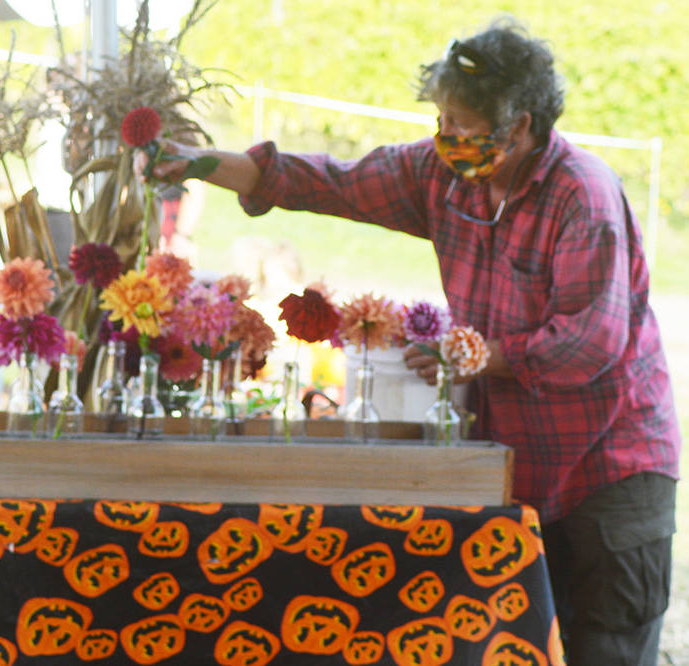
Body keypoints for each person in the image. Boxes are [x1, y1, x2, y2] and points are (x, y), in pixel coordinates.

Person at [138, 17, 681, 665]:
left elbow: (589, 343)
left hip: (608, 470)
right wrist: (207, 165)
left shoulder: (580, 196)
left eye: (464, 125)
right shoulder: (441, 174)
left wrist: (476, 354)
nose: (447, 137)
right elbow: (333, 181)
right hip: (520, 464)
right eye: (442, 119)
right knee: (521, 647)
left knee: (603, 648)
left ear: (524, 125)